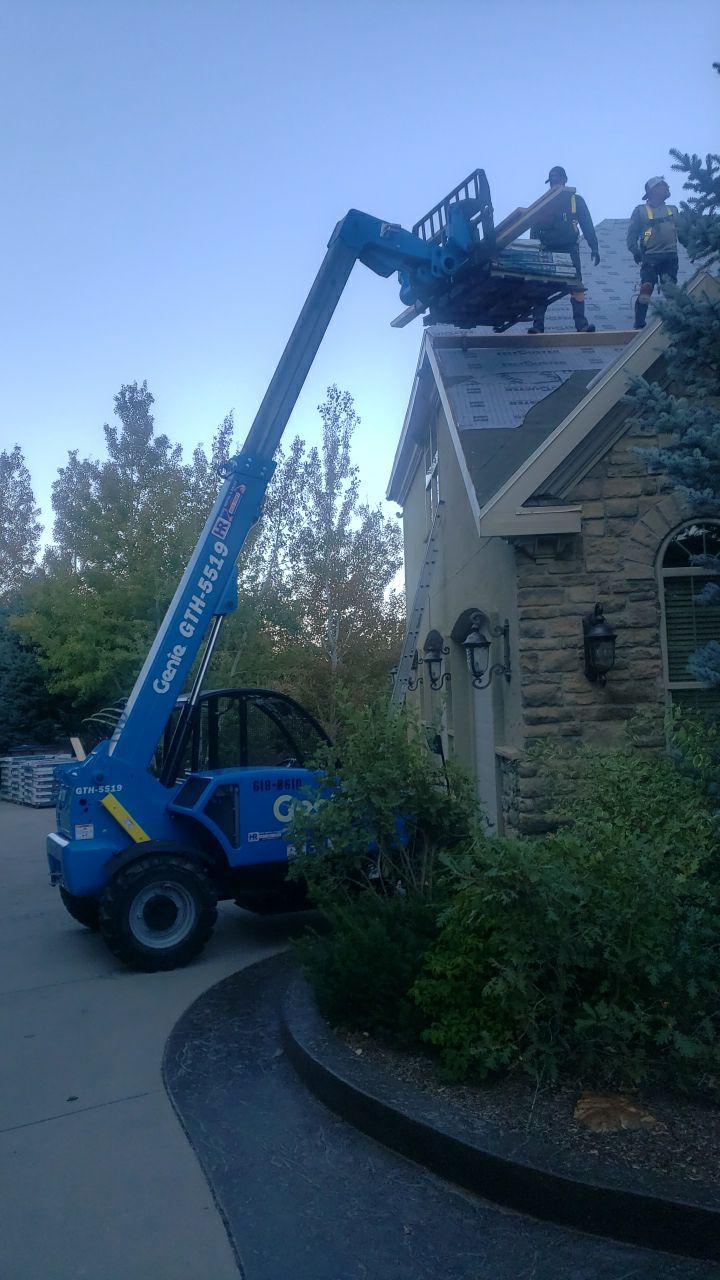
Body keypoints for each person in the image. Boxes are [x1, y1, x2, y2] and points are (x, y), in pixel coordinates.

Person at [528, 166, 600, 335]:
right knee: (541, 286)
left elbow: (587, 224)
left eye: (557, 180)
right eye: (552, 181)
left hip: (569, 249)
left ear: (564, 180)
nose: (554, 184)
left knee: (577, 286)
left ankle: (581, 325)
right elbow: (534, 227)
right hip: (547, 250)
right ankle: (538, 326)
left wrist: (594, 246)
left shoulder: (576, 200)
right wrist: (533, 250)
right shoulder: (544, 202)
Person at [627, 177, 679, 329]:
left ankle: (675, 323)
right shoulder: (640, 211)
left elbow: (683, 233)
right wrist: (635, 251)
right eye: (663, 185)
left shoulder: (673, 210)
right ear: (653, 190)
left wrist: (693, 247)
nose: (667, 187)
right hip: (650, 257)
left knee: (671, 290)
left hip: (670, 256)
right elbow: (632, 235)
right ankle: (639, 323)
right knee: (646, 288)